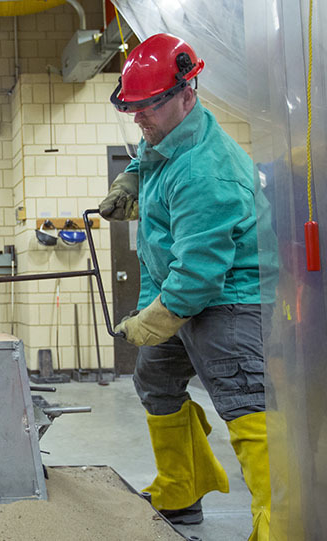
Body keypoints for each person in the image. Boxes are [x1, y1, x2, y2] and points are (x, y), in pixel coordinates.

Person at [99, 33, 273, 540]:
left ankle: (280, 525)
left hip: (228, 302)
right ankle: (182, 486)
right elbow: (146, 156)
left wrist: (152, 319)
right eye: (132, 109)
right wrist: (128, 183)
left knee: (245, 402)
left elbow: (199, 275)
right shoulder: (168, 136)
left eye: (147, 107)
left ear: (186, 92)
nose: (139, 119)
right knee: (155, 380)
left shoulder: (206, 172)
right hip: (178, 290)